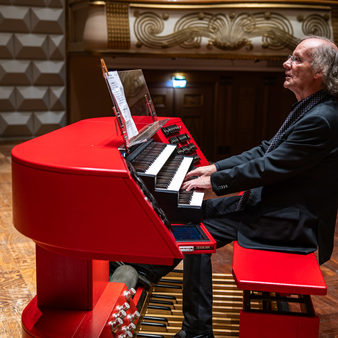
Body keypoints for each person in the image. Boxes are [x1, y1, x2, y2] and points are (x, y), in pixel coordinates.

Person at [172, 36, 338, 338]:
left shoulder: (322, 119)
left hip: (292, 223)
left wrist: (213, 183)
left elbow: (269, 167)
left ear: (320, 72)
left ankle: (196, 331)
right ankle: (145, 273)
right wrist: (217, 167)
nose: (286, 64)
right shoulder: (311, 106)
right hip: (275, 205)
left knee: (194, 234)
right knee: (191, 214)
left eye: (298, 59)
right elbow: (266, 150)